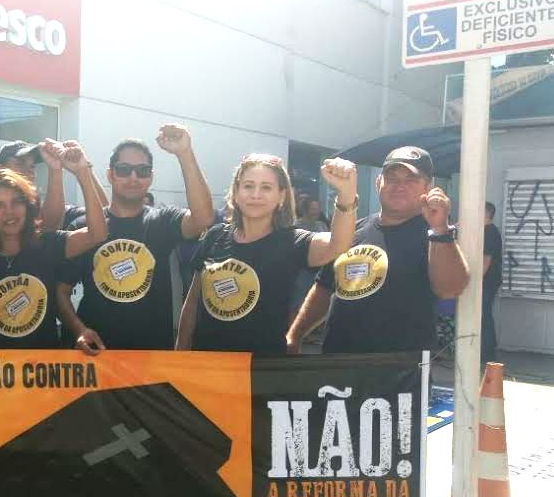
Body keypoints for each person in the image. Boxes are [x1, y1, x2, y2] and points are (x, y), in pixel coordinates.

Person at [287, 147, 469, 354]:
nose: (400, 186)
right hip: (337, 361)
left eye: (411, 179)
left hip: (401, 367)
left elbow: (450, 290)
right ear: (378, 183)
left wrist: (440, 230)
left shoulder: (436, 235)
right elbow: (324, 288)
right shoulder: (351, 230)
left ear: (428, 187)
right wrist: (295, 334)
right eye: (392, 178)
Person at [56, 124, 216, 353]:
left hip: (151, 358)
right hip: (97, 355)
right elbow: (61, 291)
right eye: (124, 170)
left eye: (142, 171)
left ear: (151, 177)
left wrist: (185, 153)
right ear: (110, 175)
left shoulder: (162, 221)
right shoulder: (86, 227)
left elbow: (203, 218)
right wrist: (78, 329)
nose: (133, 177)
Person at [175, 155, 358, 354]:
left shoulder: (292, 242)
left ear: (281, 196)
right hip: (208, 362)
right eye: (248, 186)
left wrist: (346, 193)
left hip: (263, 366)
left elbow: (338, 244)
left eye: (266, 187)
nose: (256, 194)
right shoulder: (214, 235)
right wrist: (181, 351)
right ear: (236, 192)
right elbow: (192, 302)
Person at [0, 141, 107, 349]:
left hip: (44, 366)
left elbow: (98, 234)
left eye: (17, 202)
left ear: (29, 205)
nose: (9, 212)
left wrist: (82, 172)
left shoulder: (47, 244)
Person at [482, 200, 502, 363]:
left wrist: (476, 281)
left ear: (487, 213)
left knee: (484, 314)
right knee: (484, 313)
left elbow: (486, 261)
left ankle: (488, 352)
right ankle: (487, 350)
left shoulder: (489, 232)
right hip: (489, 280)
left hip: (487, 280)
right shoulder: (487, 231)